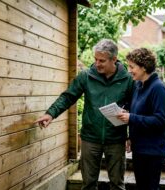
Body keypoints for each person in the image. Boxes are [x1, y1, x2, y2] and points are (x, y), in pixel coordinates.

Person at [34, 39, 133, 190]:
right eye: (95, 59)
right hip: (90, 139)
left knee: (117, 185)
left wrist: (130, 135)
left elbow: (135, 108)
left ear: (114, 59)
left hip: (116, 139)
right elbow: (68, 97)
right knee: (88, 184)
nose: (97, 64)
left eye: (102, 61)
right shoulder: (86, 76)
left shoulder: (128, 80)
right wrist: (51, 114)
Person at [117, 48, 165, 190]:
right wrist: (130, 136)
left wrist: (131, 118)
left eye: (132, 67)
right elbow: (136, 111)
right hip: (139, 149)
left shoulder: (158, 88)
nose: (129, 70)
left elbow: (160, 121)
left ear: (144, 67)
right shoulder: (138, 85)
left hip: (152, 151)